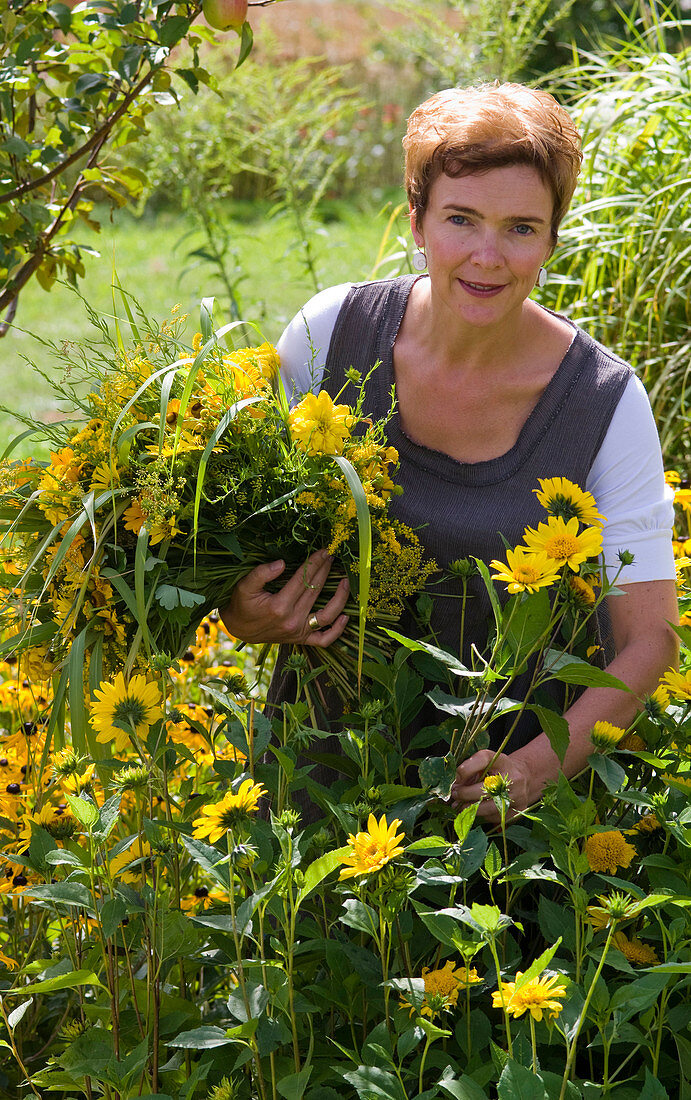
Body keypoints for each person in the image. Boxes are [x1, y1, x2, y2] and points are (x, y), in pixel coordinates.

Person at [221, 82, 679, 821]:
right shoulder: (329, 334)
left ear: (552, 241)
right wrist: (243, 614)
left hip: (502, 820)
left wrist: (533, 769)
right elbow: (247, 544)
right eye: (460, 219)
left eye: (521, 228)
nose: (486, 256)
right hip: (317, 779)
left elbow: (648, 639)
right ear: (416, 221)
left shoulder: (602, 402)